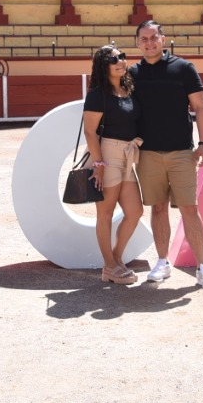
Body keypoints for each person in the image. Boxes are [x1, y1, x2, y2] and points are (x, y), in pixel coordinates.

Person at [128, 20, 203, 290]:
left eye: (153, 37)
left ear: (163, 39)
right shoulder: (132, 74)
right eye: (143, 39)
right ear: (137, 43)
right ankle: (163, 261)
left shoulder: (183, 68)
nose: (149, 42)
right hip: (147, 154)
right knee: (157, 208)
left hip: (181, 152)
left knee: (190, 209)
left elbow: (201, 107)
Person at [83, 44, 145, 285]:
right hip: (108, 153)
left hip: (129, 153)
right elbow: (90, 132)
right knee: (105, 213)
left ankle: (116, 258)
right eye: (114, 59)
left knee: (135, 211)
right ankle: (109, 266)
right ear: (103, 66)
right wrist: (98, 163)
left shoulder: (129, 89)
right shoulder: (98, 94)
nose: (120, 61)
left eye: (122, 56)